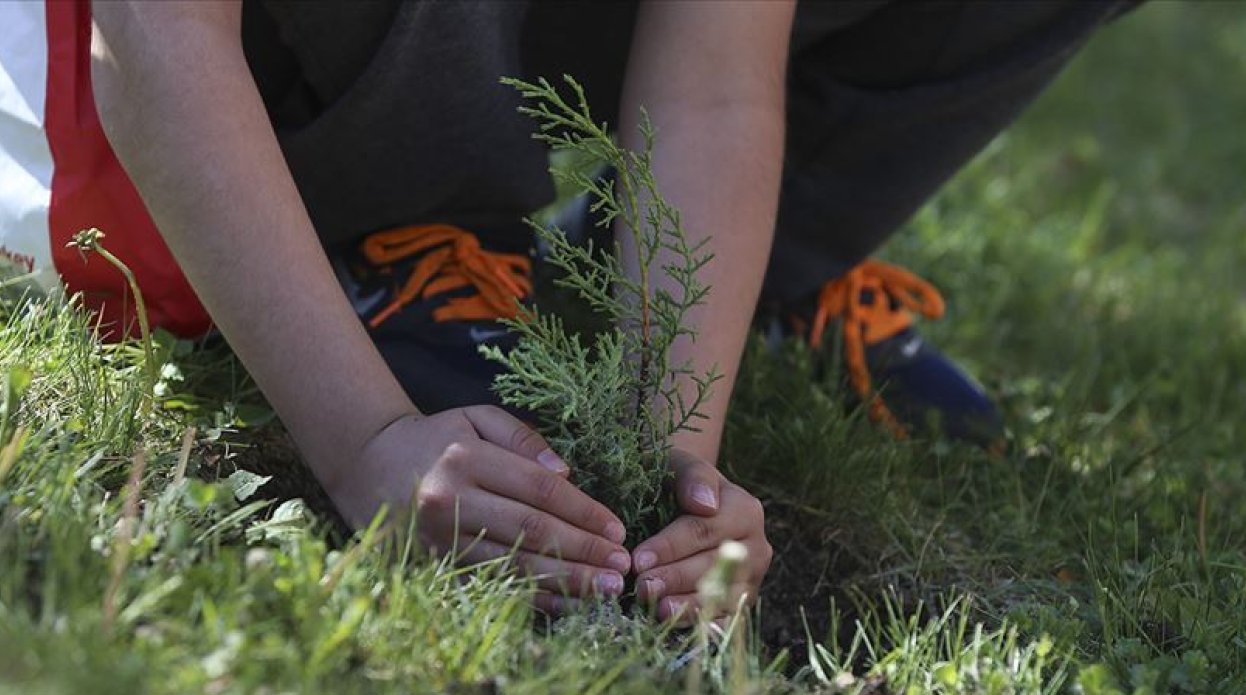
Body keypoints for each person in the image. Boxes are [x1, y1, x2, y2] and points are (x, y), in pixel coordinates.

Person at [84, 0, 1133, 621]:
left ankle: (708, 260)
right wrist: (367, 445)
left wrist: (675, 455)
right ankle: (398, 228)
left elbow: (715, 75)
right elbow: (154, 38)